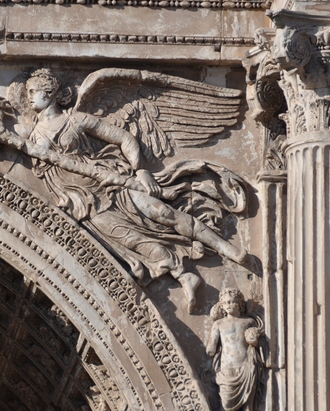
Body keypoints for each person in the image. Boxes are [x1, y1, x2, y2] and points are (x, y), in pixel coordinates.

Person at [21, 69, 247, 310]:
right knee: (134, 241)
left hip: (112, 182)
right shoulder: (30, 136)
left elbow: (124, 138)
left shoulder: (75, 120)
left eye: (34, 91)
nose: (30, 97)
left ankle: (226, 248)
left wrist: (140, 170)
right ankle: (184, 275)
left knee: (163, 213)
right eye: (28, 93)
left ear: (51, 93)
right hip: (82, 202)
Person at [206, 288, 263, 411]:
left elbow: (255, 343)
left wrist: (254, 340)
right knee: (225, 405)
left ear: (239, 303)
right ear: (222, 306)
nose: (229, 305)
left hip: (246, 367)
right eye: (225, 303)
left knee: (247, 405)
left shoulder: (248, 322)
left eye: (232, 302)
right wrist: (210, 348)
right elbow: (211, 347)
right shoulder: (218, 324)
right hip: (227, 369)